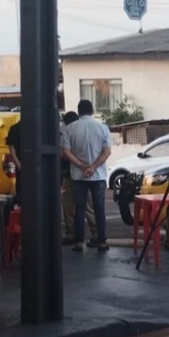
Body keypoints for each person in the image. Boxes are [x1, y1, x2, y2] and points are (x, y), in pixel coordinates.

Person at [60, 100, 111, 252]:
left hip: (78, 176)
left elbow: (66, 152)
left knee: (79, 209)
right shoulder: (103, 128)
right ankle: (101, 241)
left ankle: (78, 242)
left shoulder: (70, 129)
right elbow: (107, 152)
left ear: (79, 111)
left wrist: (82, 166)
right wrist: (93, 167)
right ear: (92, 111)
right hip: (98, 175)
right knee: (99, 208)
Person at [59, 112, 98, 245]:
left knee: (69, 206)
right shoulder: (86, 133)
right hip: (85, 174)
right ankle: (96, 233)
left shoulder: (67, 132)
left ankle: (71, 234)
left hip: (69, 174)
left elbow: (63, 153)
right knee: (87, 206)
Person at [5, 120, 22, 205]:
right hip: (36, 169)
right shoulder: (37, 128)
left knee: (22, 197)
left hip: (21, 170)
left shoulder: (14, 128)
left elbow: (12, 151)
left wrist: (20, 166)